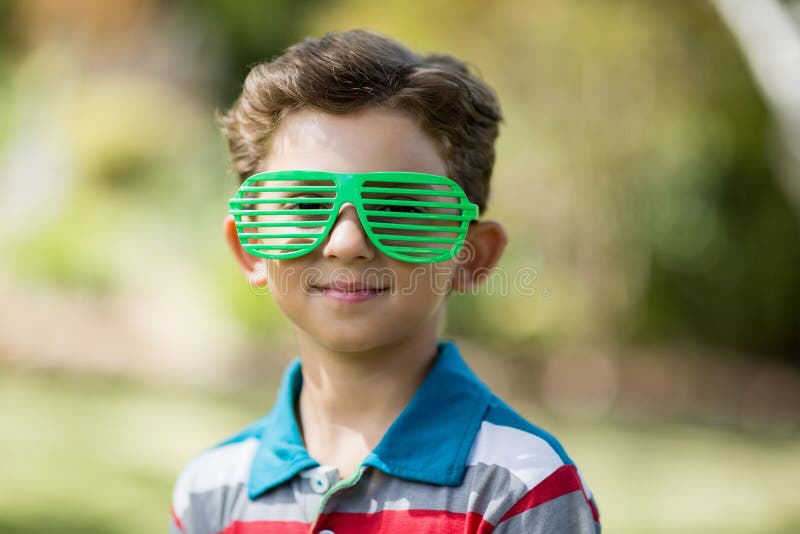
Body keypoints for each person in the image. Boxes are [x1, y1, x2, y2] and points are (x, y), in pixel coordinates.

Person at [169, 29, 601, 533]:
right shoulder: (210, 491)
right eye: (304, 204)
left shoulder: (522, 489)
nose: (347, 242)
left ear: (470, 256)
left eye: (398, 206)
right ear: (250, 249)